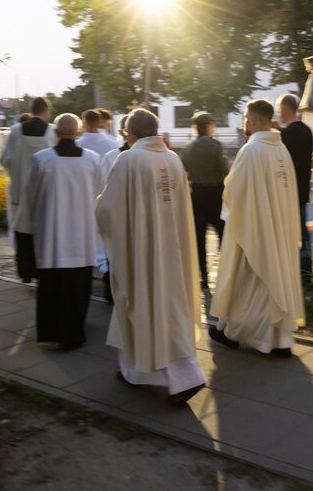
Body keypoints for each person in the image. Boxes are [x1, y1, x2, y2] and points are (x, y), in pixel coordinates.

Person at [96, 108, 205, 406]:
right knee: (164, 307)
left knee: (145, 306)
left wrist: (97, 207)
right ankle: (133, 371)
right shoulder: (172, 158)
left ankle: (186, 378)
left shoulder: (129, 159)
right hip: (172, 250)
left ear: (130, 134)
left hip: (143, 251)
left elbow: (109, 209)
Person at [208, 99, 304, 358]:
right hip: (280, 228)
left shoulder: (251, 151)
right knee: (272, 278)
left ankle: (233, 332)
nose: (244, 121)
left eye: (244, 117)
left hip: (256, 228)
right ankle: (280, 340)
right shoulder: (280, 149)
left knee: (249, 278)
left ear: (251, 119)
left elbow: (234, 191)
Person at [13, 113, 102, 349]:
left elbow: (29, 200)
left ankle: (53, 331)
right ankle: (74, 332)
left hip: (53, 238)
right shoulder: (92, 160)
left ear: (55, 132)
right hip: (82, 238)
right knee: (77, 289)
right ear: (78, 133)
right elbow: (99, 196)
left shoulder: (42, 160)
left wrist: (24, 231)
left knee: (52, 289)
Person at [179, 112, 230, 289]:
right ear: (209, 126)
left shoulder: (187, 148)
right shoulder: (216, 147)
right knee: (223, 235)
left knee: (199, 239)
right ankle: (225, 274)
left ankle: (204, 277)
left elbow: (182, 171)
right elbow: (225, 172)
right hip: (216, 194)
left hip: (197, 195)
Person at [0, 97, 56, 244]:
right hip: (45, 194)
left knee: (21, 236)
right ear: (46, 111)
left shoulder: (15, 130)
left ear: (31, 111)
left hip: (19, 194)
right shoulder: (52, 131)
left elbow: (4, 160)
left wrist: (17, 171)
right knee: (44, 236)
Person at [276, 93, 313, 277]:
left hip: (288, 190)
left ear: (285, 108)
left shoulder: (285, 134)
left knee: (290, 231)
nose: (278, 114)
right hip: (303, 189)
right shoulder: (307, 130)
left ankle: (293, 270)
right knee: (303, 231)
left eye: (279, 109)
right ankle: (306, 270)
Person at [96, 114, 130, 303]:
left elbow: (102, 190)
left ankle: (113, 293)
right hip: (131, 218)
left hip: (118, 216)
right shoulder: (112, 156)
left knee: (115, 256)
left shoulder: (112, 157)